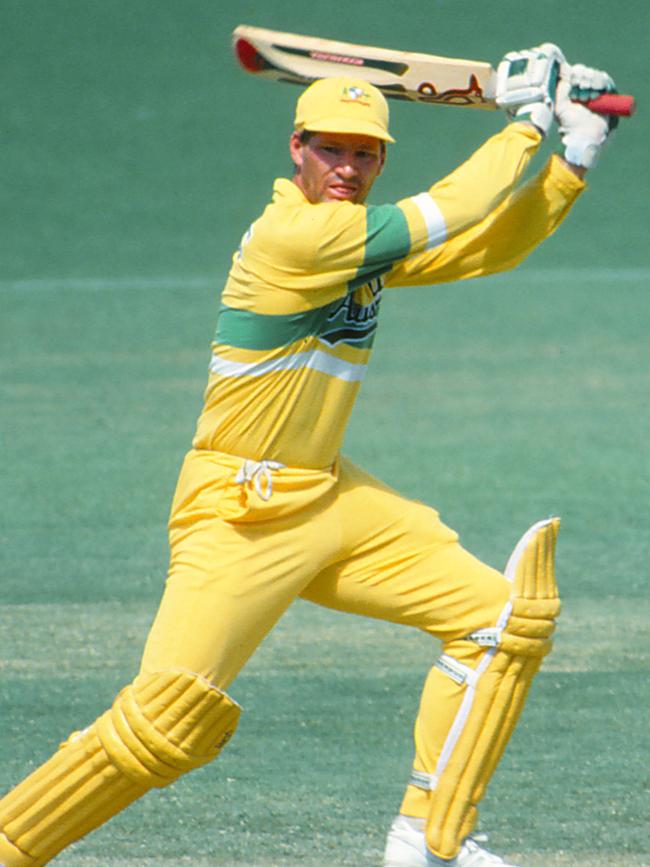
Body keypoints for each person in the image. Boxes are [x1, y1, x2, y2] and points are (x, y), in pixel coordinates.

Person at [0, 43, 618, 867]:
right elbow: (445, 211)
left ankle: (428, 840)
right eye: (332, 149)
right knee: (166, 719)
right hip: (239, 509)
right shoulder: (296, 237)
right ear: (297, 148)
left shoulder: (357, 244)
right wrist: (525, 123)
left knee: (502, 618)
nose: (348, 166)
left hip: (328, 496)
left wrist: (573, 153)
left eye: (365, 154)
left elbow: (482, 248)